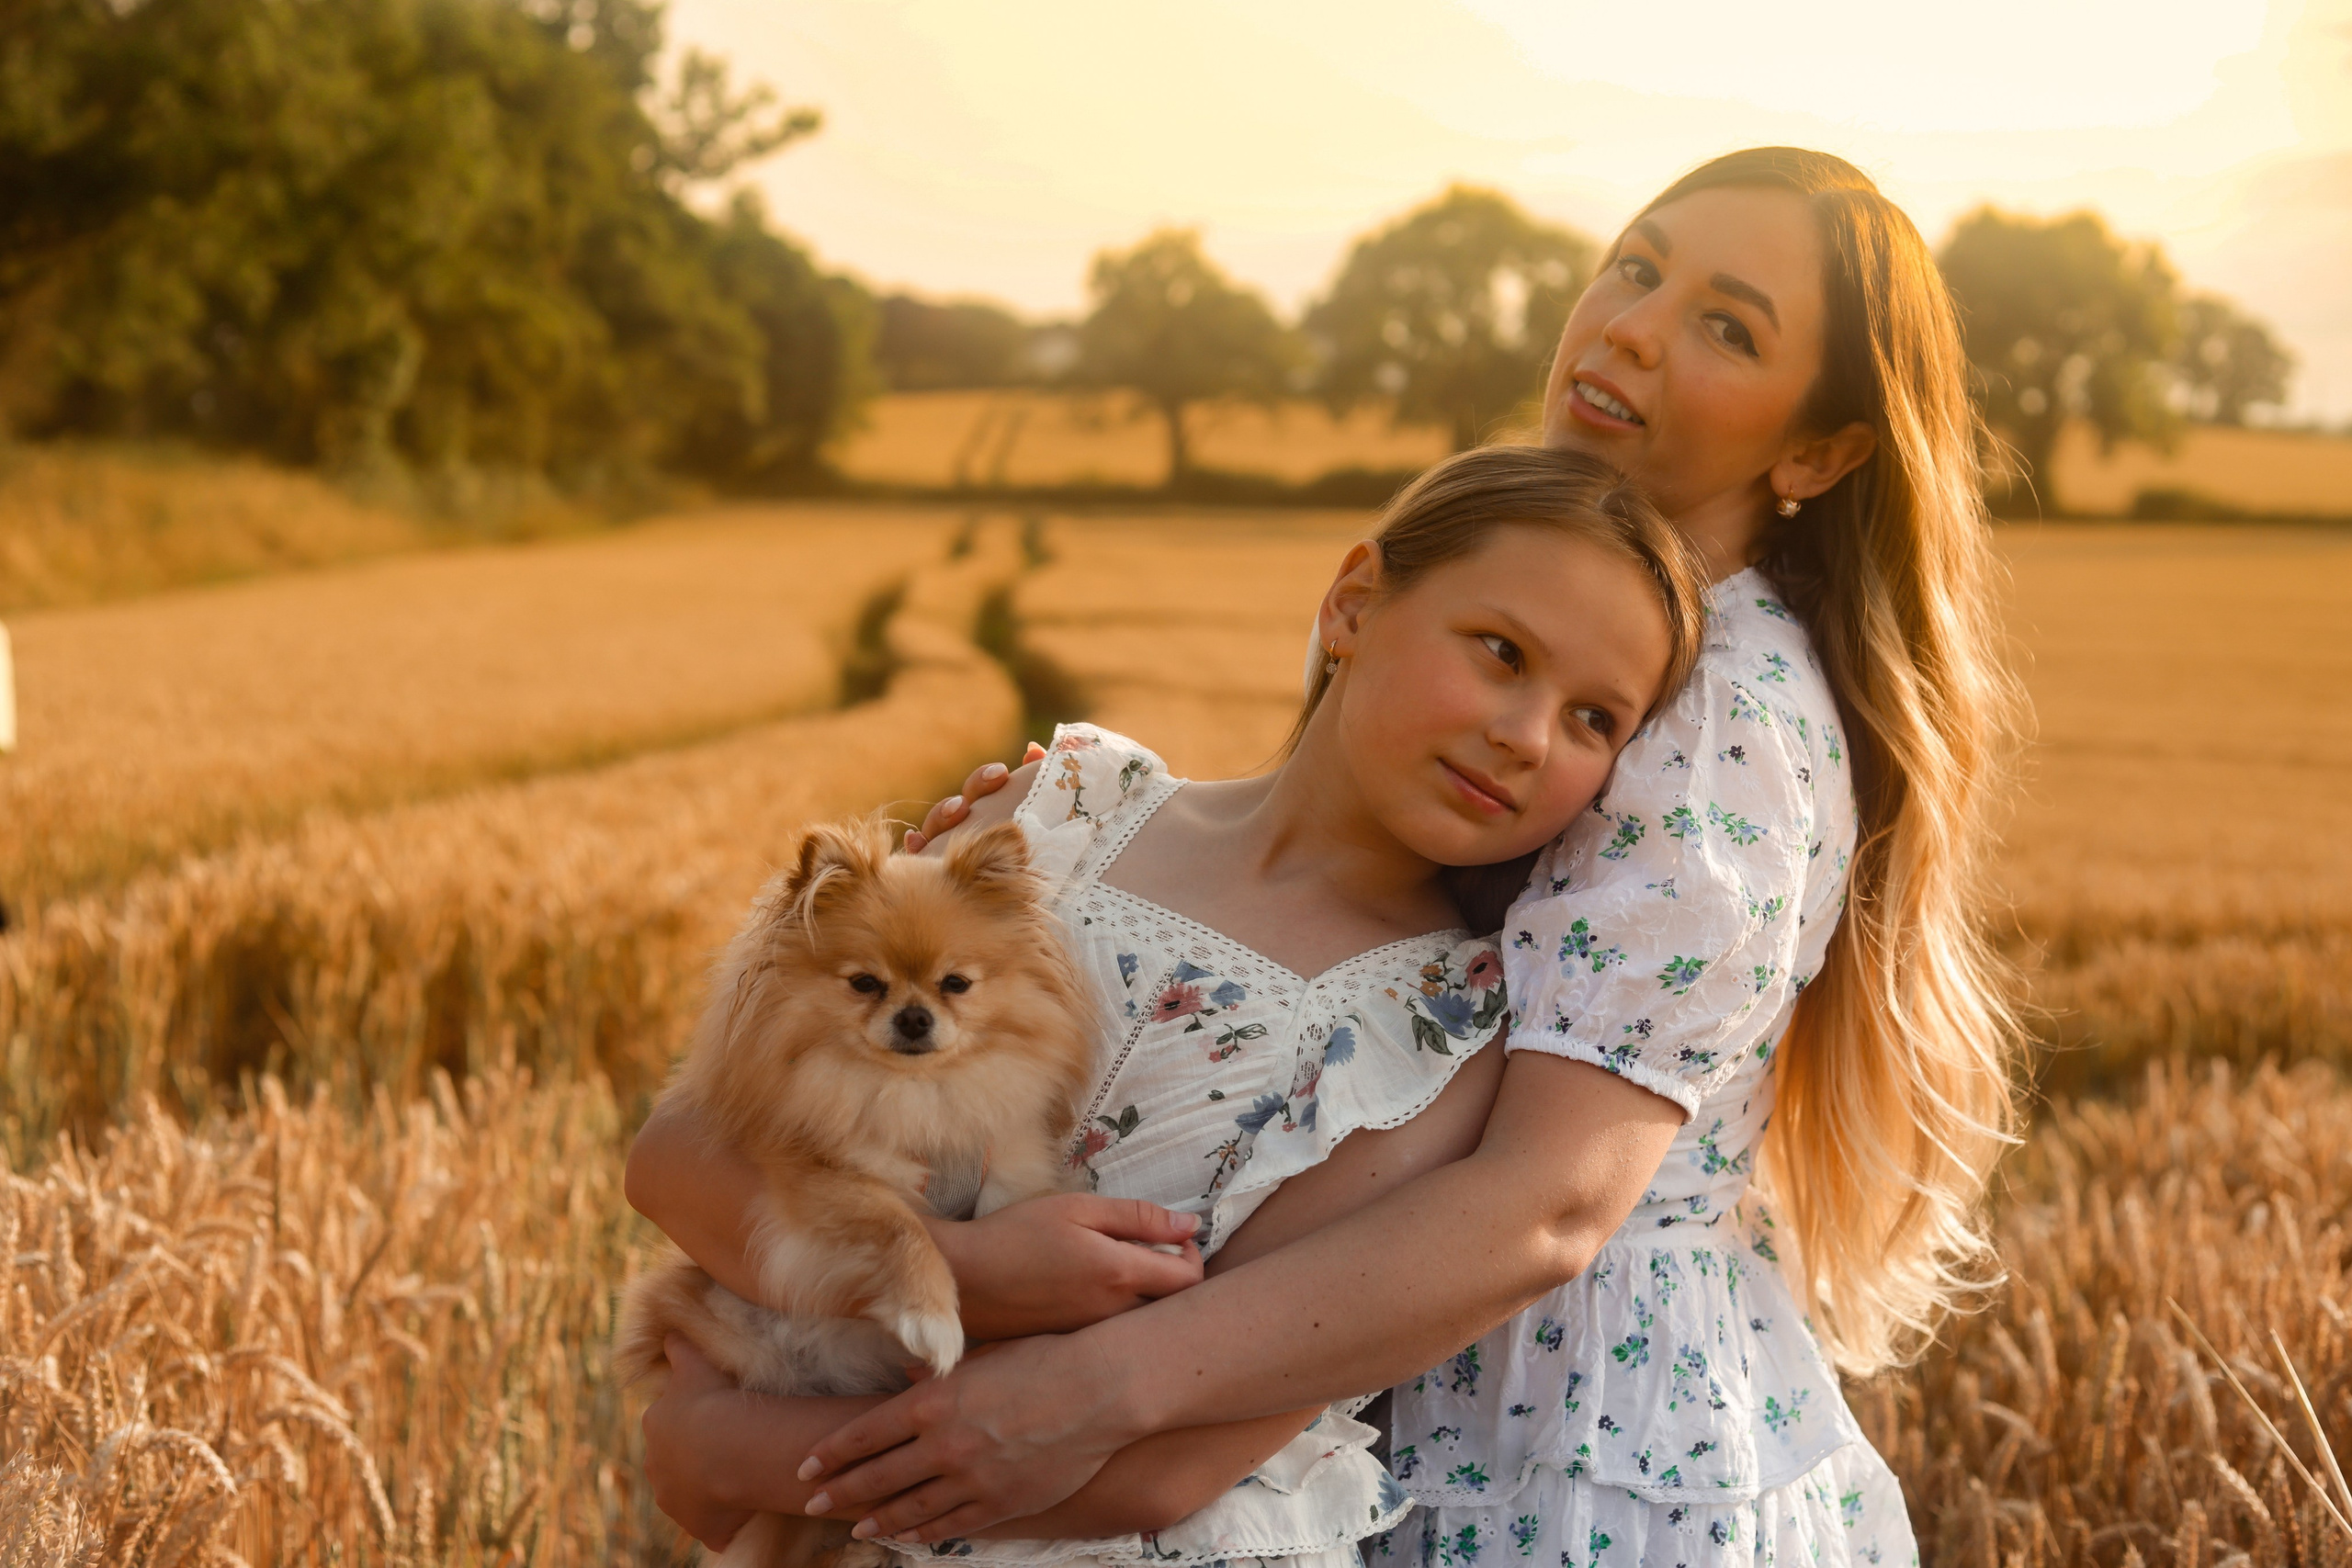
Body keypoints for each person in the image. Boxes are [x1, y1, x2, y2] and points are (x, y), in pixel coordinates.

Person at [643, 146, 2022, 1566]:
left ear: (1818, 454)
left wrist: (1055, 1384)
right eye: (1637, 264)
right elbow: (701, 1140)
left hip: (1553, 1441)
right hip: (1331, 1371)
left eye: (1727, 326)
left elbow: (1547, 1201)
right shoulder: (1130, 807)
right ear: (1360, 599)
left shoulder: (1709, 734)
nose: (1635, 327)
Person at [626, 444, 1713, 1558]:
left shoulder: (1435, 1035)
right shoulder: (1057, 816)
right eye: (1501, 652)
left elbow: (1163, 1473)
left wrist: (736, 1452)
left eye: (1594, 720)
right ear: (1352, 604)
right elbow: (675, 1158)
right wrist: (966, 1273)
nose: (1526, 736)